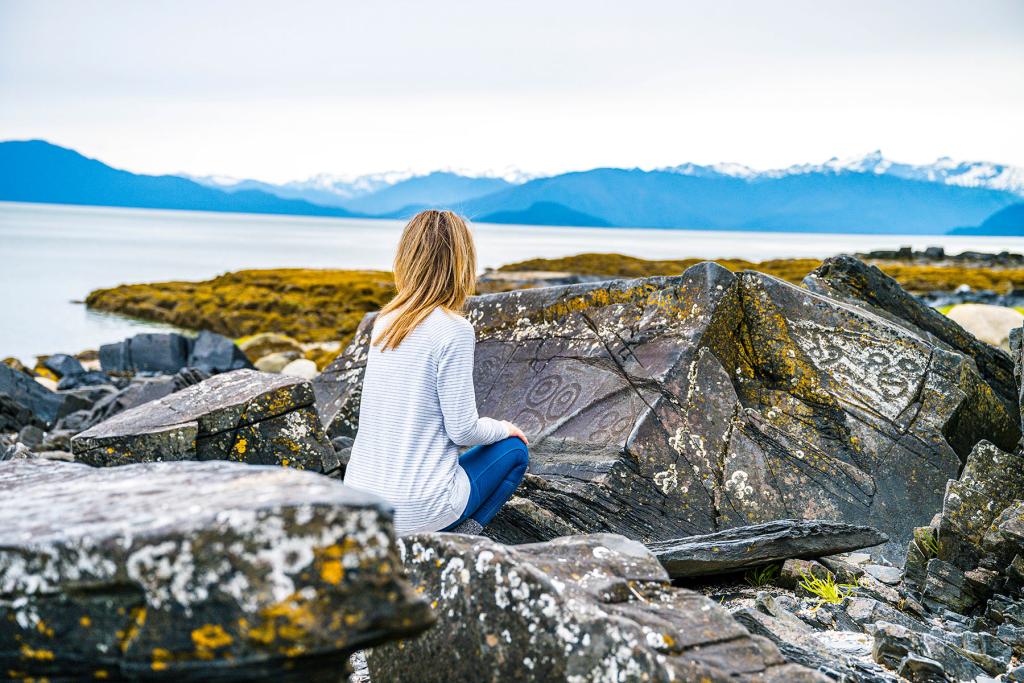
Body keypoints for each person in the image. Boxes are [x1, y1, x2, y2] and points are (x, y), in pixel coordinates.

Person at [344, 209, 529, 535]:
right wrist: (504, 428)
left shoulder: (384, 323)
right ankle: (461, 539)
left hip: (361, 504)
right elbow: (462, 431)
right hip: (418, 511)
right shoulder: (454, 330)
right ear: (462, 263)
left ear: (406, 259)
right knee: (514, 451)